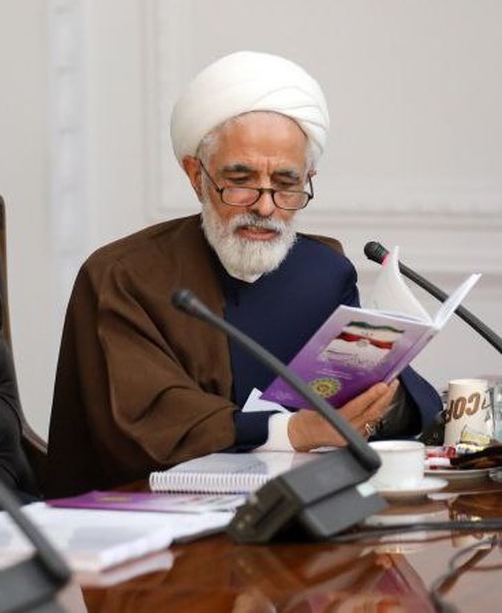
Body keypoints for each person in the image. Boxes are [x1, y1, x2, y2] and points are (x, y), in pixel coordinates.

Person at [43, 51, 442, 498]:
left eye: (286, 184)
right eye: (241, 180)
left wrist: (382, 404)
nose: (265, 206)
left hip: (305, 509)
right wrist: (295, 431)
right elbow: (143, 425)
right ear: (196, 175)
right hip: (145, 520)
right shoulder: (123, 277)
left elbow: (391, 399)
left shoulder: (322, 272)